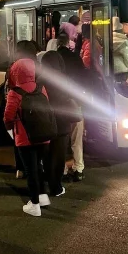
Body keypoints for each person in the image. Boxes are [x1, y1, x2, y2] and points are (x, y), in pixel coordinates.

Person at [3, 58, 51, 216]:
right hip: (44, 135)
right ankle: (43, 196)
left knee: (31, 170)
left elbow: (8, 116)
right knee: (39, 166)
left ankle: (34, 205)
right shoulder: (41, 87)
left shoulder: (14, 92)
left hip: (25, 137)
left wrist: (10, 129)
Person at [39, 50, 75, 198]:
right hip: (62, 123)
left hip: (45, 122)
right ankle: (56, 187)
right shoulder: (65, 79)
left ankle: (48, 181)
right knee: (59, 157)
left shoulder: (40, 79)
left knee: (47, 155)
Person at [6, 40, 39, 179]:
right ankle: (36, 169)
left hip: (19, 112)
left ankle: (21, 168)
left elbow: (11, 88)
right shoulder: (37, 67)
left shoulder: (13, 67)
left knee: (19, 141)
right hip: (37, 111)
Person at [56, 33, 86, 182]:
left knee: (62, 139)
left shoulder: (54, 58)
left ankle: (62, 170)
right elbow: (84, 78)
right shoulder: (75, 58)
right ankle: (79, 168)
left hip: (60, 104)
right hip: (76, 103)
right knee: (77, 138)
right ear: (68, 43)